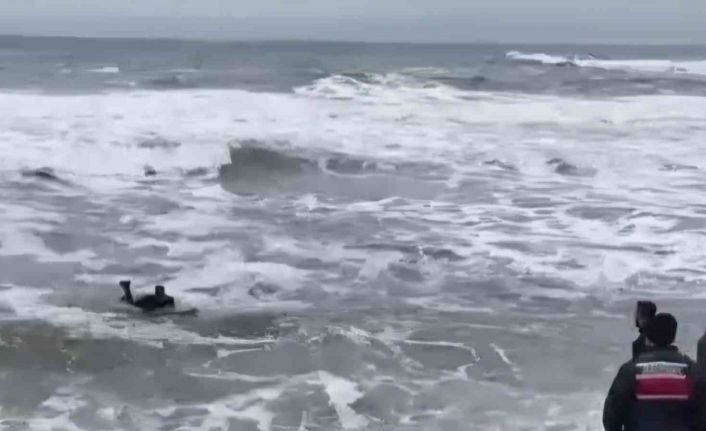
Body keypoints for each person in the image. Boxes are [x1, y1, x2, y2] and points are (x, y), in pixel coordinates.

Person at [603, 313, 696, 431]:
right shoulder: (692, 370)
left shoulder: (631, 370)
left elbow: (612, 414)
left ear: (647, 339)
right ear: (673, 338)